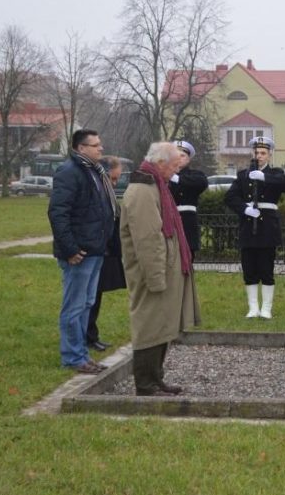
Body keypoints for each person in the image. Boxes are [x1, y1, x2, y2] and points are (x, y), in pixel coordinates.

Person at [120, 142, 198, 396]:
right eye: (175, 165)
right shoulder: (143, 191)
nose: (177, 171)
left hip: (165, 269)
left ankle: (156, 379)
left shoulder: (156, 185)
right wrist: (155, 278)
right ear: (161, 163)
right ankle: (146, 383)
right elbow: (148, 239)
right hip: (153, 272)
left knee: (161, 324)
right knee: (150, 325)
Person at [48, 129, 116, 374]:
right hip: (80, 252)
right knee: (74, 306)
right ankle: (73, 357)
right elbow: (58, 213)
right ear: (81, 148)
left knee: (86, 303)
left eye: (100, 144)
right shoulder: (70, 172)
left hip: (96, 249)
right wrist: (70, 249)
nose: (100, 148)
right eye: (95, 145)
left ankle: (82, 354)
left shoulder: (94, 172)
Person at [224, 136, 285, 319]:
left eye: (263, 153)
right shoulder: (243, 175)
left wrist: (264, 177)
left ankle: (266, 308)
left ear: (269, 155)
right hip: (248, 225)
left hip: (267, 227)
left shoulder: (276, 173)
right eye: (256, 153)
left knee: (266, 269)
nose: (259, 156)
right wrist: (245, 209)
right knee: (249, 269)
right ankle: (253, 307)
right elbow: (230, 197)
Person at [86, 155, 127, 352]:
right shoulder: (96, 192)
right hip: (97, 249)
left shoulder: (108, 194)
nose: (115, 183)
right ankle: (87, 336)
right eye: (113, 178)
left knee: (97, 293)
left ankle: (91, 334)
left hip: (107, 249)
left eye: (117, 179)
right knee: (89, 296)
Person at [169, 140, 209, 259]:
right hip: (169, 220)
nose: (179, 158)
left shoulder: (195, 174)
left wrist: (178, 179)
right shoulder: (165, 175)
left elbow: (202, 183)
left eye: (182, 155)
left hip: (187, 222)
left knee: (186, 259)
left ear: (188, 159)